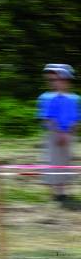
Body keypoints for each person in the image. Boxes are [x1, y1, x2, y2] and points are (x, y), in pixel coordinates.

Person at [41, 64, 78, 202]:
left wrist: (69, 133)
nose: (57, 83)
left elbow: (75, 117)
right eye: (53, 80)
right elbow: (47, 118)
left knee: (66, 161)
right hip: (54, 135)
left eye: (61, 79)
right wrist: (58, 133)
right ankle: (57, 192)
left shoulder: (73, 98)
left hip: (68, 134)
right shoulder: (47, 97)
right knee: (54, 160)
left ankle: (62, 190)